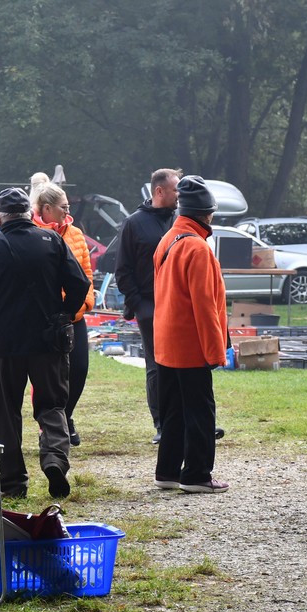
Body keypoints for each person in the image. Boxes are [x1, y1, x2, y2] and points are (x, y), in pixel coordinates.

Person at [0, 187, 90, 499]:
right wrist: (64, 315)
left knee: (6, 413)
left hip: (6, 346)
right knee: (53, 406)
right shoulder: (52, 241)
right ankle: (55, 459)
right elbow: (80, 282)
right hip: (49, 343)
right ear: (30, 214)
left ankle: (13, 484)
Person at [152, 175, 229, 494]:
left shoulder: (168, 238)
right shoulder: (197, 248)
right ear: (205, 214)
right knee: (200, 411)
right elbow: (205, 306)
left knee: (173, 412)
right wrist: (216, 352)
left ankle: (167, 471)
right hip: (191, 344)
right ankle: (197, 474)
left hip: (166, 343)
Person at [115, 168, 182, 444]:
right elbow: (122, 270)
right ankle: (161, 424)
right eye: (176, 189)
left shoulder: (181, 220)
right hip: (150, 306)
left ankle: (186, 419)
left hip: (179, 306)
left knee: (184, 365)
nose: (180, 194)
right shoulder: (134, 224)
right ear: (159, 191)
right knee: (156, 365)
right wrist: (140, 305)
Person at [32, 182, 96, 446]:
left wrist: (86, 303)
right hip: (45, 317)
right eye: (63, 207)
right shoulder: (33, 233)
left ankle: (65, 417)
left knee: (79, 368)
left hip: (74, 314)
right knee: (48, 376)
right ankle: (49, 426)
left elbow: (86, 273)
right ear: (46, 208)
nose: (67, 212)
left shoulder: (76, 233)